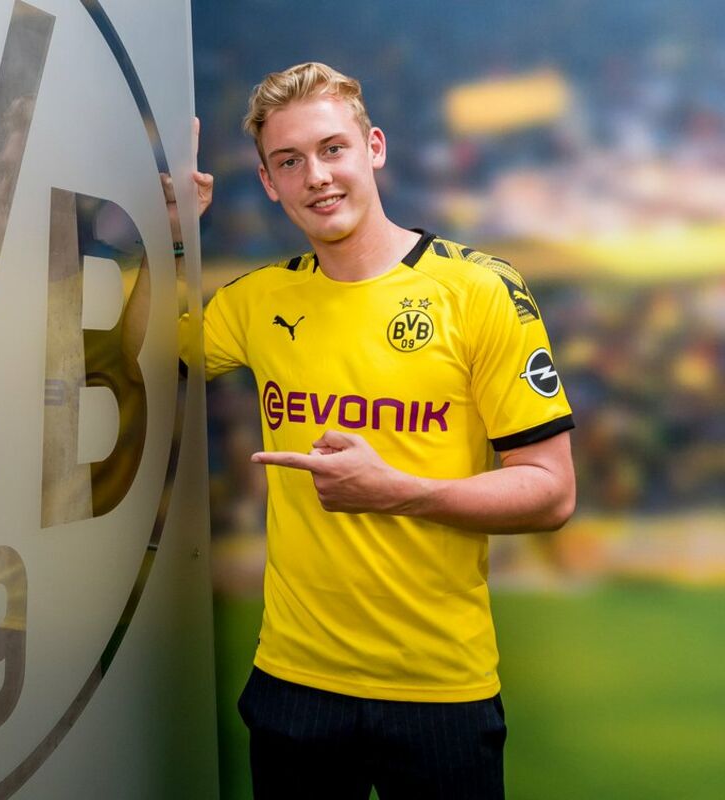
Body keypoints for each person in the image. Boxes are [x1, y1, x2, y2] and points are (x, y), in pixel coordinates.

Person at [181, 63, 576, 799]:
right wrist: (172, 237)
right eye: (288, 161)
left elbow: (551, 492)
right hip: (292, 686)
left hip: (440, 691)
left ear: (374, 148)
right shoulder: (252, 302)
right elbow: (127, 357)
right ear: (268, 182)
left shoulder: (480, 290)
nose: (316, 177)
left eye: (333, 149)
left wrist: (396, 491)